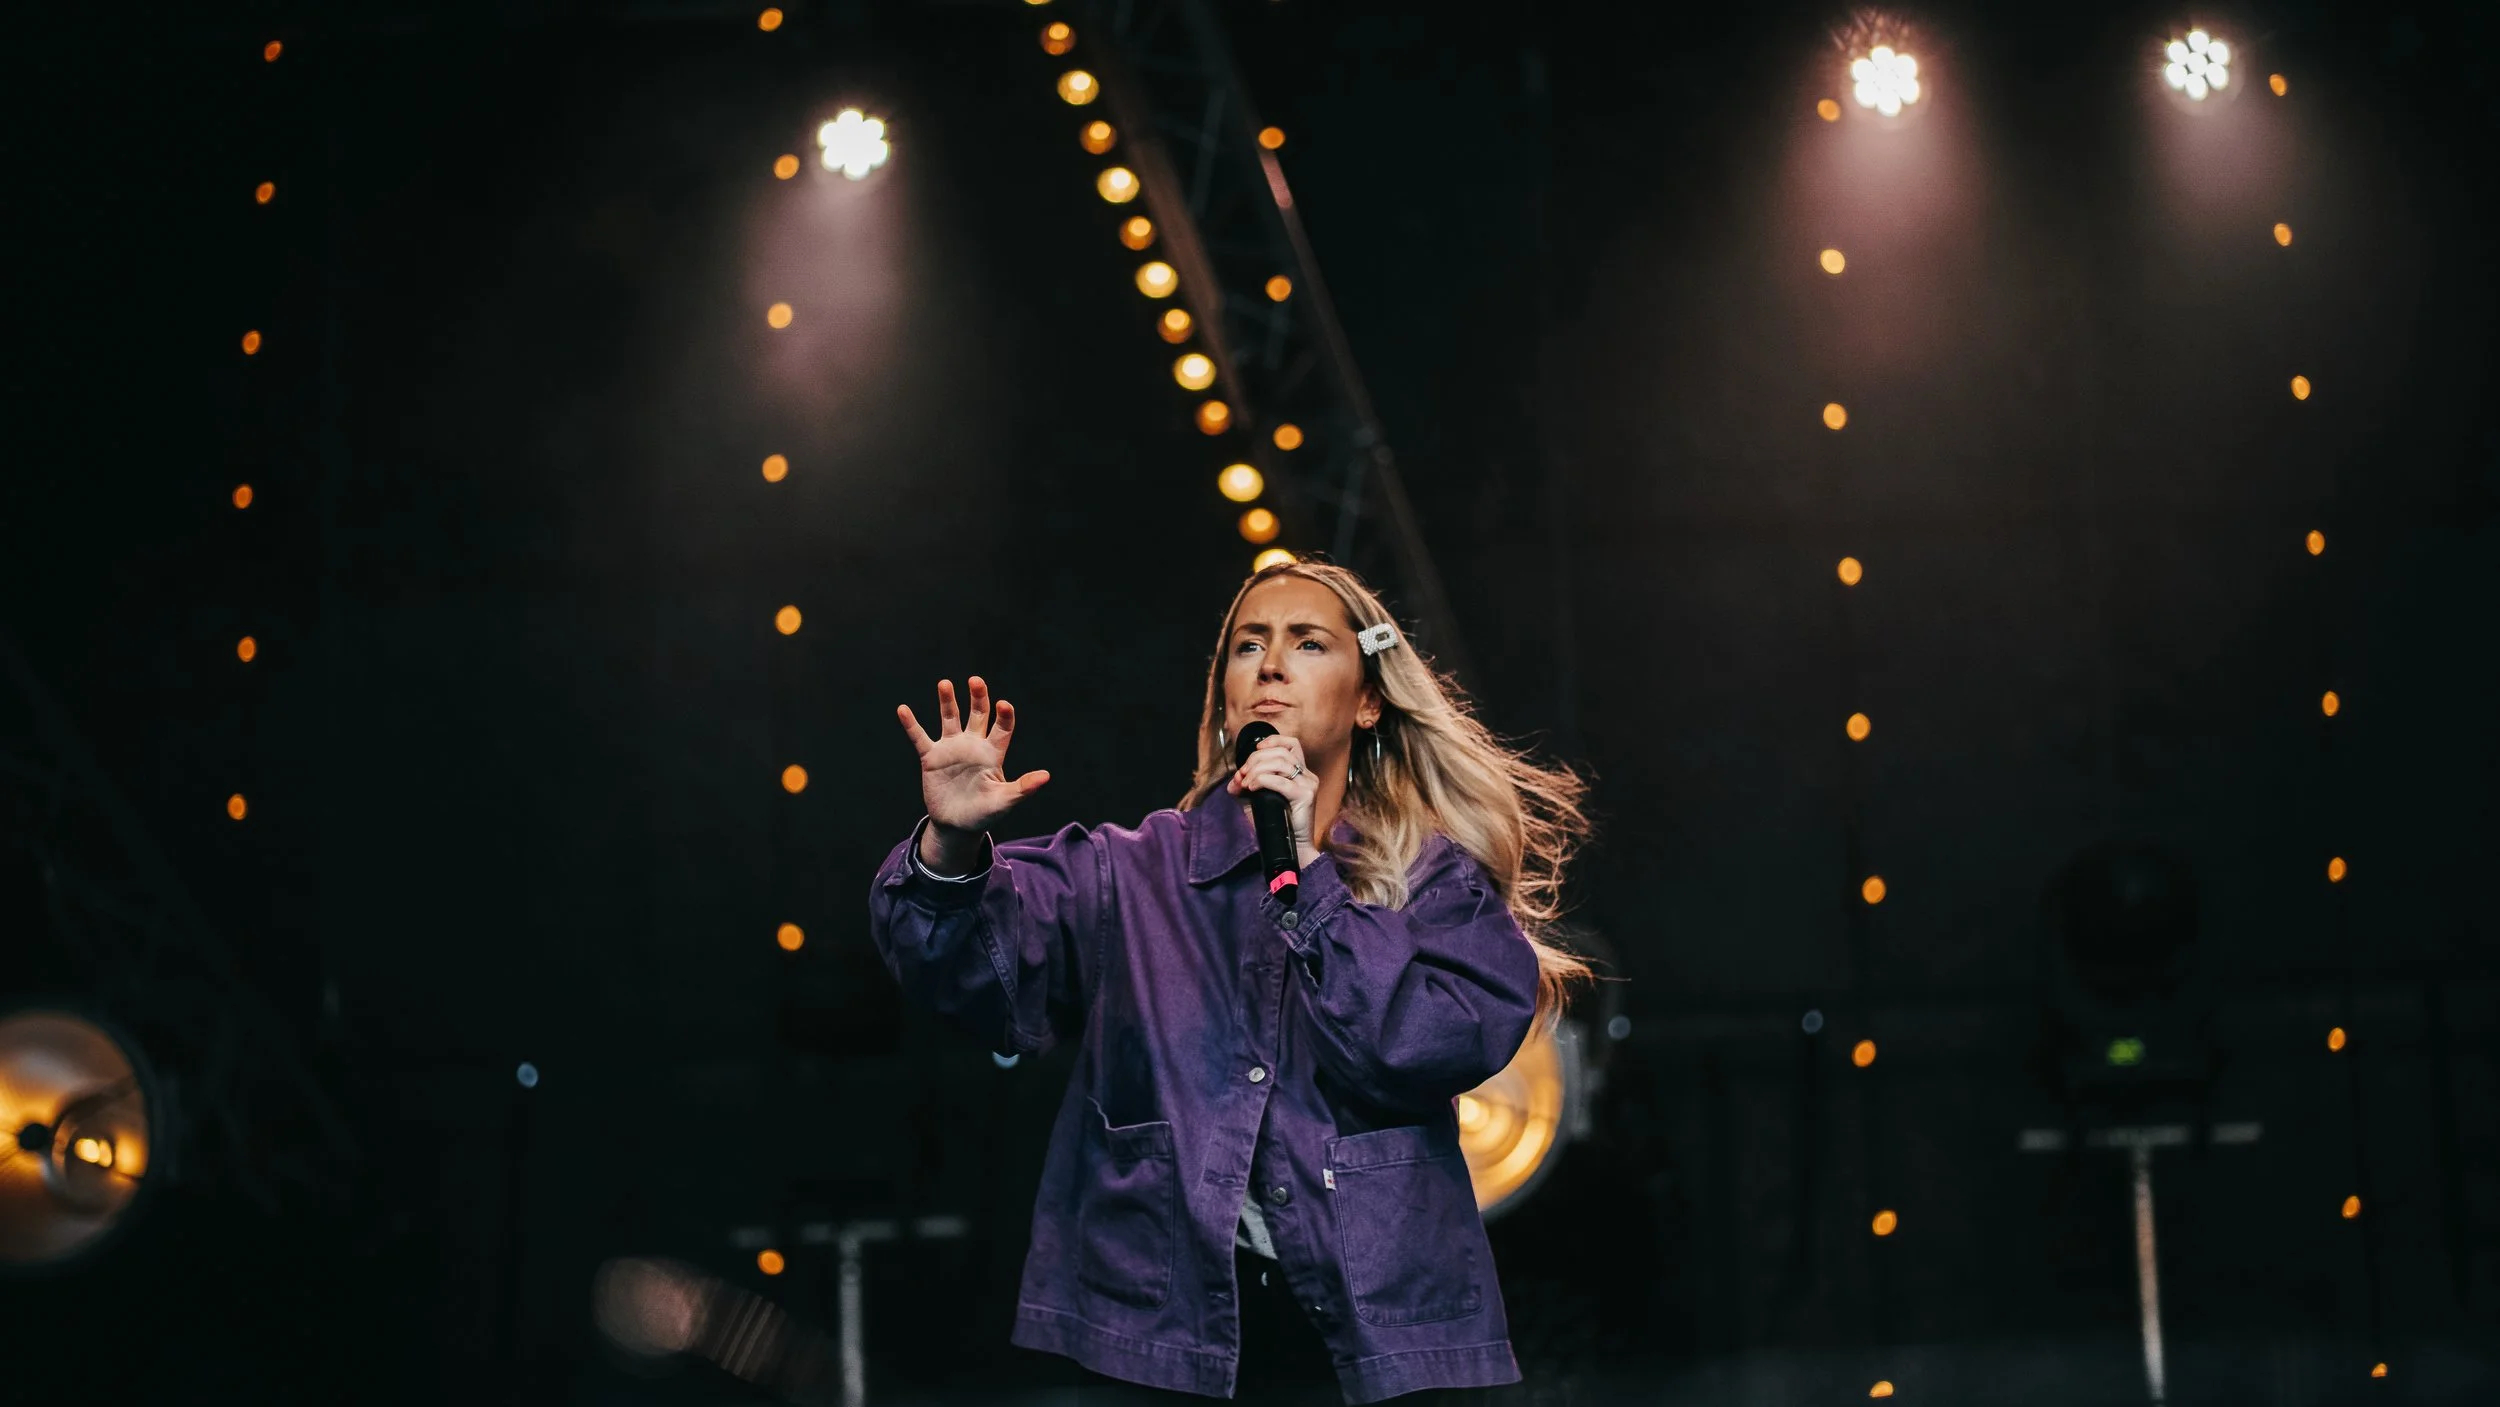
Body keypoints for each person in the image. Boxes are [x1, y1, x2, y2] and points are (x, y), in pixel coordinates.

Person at [869, 561, 1593, 1405]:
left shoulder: (1432, 879)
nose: (1272, 664)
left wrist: (1313, 875)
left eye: (1308, 643)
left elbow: (1432, 1042)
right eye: (1249, 645)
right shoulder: (1131, 871)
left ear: (1367, 700)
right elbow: (965, 967)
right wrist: (950, 847)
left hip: (1372, 1332)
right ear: (1224, 706)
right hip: (1167, 1332)